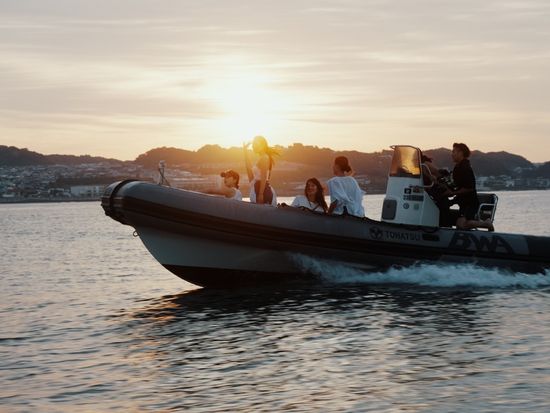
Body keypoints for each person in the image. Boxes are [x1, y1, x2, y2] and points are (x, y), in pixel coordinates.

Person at [444, 142, 494, 231]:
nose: (452, 154)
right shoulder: (458, 167)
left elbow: (469, 188)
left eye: (454, 152)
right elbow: (456, 185)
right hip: (463, 203)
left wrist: (452, 192)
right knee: (458, 223)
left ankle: (486, 223)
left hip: (470, 204)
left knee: (461, 225)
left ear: (461, 153)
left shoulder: (465, 167)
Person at [243, 135, 278, 206]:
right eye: (253, 145)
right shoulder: (262, 158)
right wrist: (245, 152)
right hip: (257, 188)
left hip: (263, 190)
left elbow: (264, 177)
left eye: (255, 144)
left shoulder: (264, 158)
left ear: (263, 145)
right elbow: (249, 170)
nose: (253, 146)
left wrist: (261, 194)